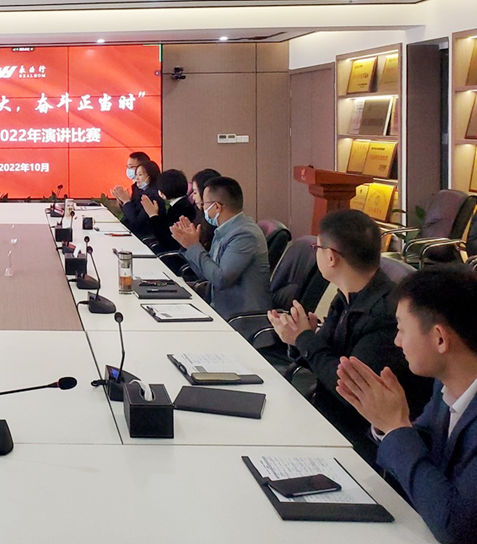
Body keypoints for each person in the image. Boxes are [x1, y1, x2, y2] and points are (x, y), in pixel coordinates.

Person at [267, 210, 431, 460]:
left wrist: (304, 338)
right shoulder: (348, 294)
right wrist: (299, 336)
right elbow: (326, 356)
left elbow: (349, 389)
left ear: (331, 257)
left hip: (356, 443)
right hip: (324, 415)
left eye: (317, 248)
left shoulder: (386, 314)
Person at [336, 267, 477, 544]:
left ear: (439, 338)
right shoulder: (445, 385)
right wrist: (385, 423)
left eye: (401, 329)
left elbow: (456, 528)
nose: (397, 341)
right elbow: (424, 442)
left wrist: (396, 427)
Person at [170, 176, 272, 319]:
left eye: (204, 203)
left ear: (217, 206)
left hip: (239, 317)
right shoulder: (224, 230)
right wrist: (188, 245)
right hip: (219, 307)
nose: (202, 207)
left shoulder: (244, 235)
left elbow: (220, 279)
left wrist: (194, 246)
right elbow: (207, 274)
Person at [140, 168, 197, 254]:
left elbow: (166, 238)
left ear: (163, 192)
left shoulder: (181, 209)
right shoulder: (182, 204)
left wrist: (153, 215)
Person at [118, 160, 161, 240]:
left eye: (140, 175)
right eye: (136, 175)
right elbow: (129, 214)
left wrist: (127, 202)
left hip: (144, 237)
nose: (136, 178)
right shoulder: (139, 191)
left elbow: (137, 223)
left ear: (150, 176)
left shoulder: (152, 196)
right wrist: (122, 202)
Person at [191, 168, 221, 250]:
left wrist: (192, 244)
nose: (193, 197)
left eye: (195, 192)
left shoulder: (217, 221)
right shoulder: (200, 214)